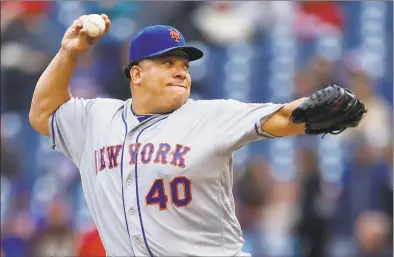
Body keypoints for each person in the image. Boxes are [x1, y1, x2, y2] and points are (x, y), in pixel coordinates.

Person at [29, 14, 365, 256]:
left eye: (185, 65)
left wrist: (311, 109)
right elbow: (42, 114)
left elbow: (282, 116)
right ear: (136, 74)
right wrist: (69, 54)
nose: (181, 71)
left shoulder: (210, 115)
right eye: (167, 62)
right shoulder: (95, 119)